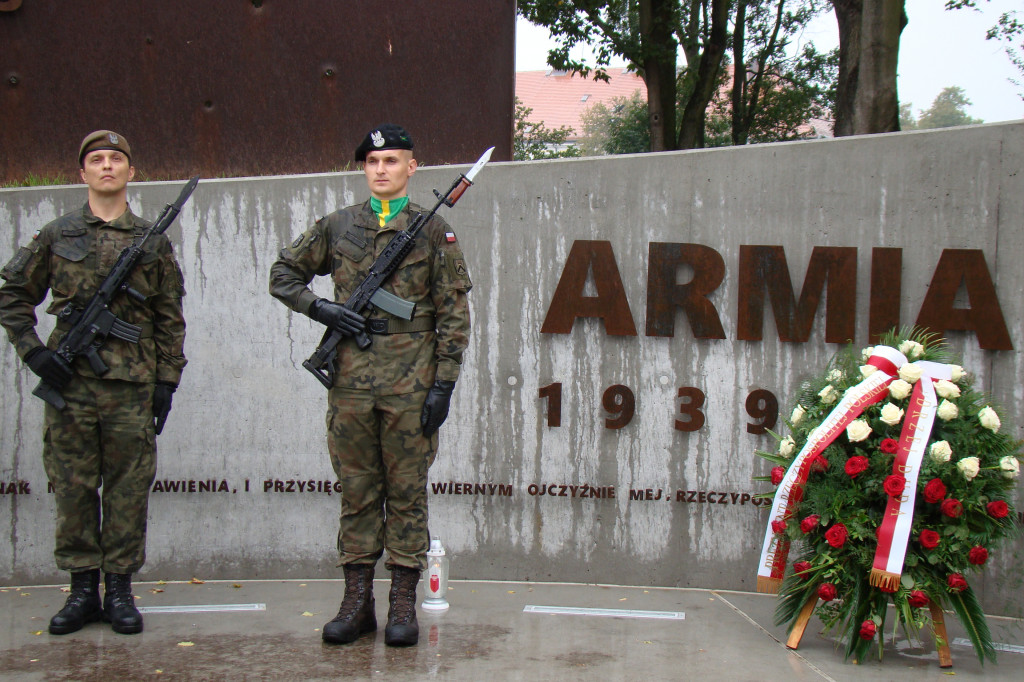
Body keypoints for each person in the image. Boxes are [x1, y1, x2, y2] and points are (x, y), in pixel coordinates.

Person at [269, 124, 471, 647]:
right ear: (364, 168)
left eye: (392, 160)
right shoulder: (338, 227)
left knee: (406, 493)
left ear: (412, 168)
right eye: (372, 161)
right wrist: (323, 308)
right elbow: (283, 274)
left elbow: (453, 316)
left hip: (411, 384)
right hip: (352, 384)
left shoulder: (433, 231)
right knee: (357, 492)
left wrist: (443, 386)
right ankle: (356, 602)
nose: (381, 169)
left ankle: (402, 603)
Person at [0, 130, 187, 635]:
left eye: (117, 159)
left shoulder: (152, 240)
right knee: (74, 487)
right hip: (72, 387)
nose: (107, 166)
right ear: (82, 173)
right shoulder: (56, 235)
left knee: (128, 491)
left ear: (131, 172)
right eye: (96, 159)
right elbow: (12, 296)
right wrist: (35, 353)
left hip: (131, 388)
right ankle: (82, 591)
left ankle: (121, 590)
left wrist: (166, 381)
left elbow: (170, 318)